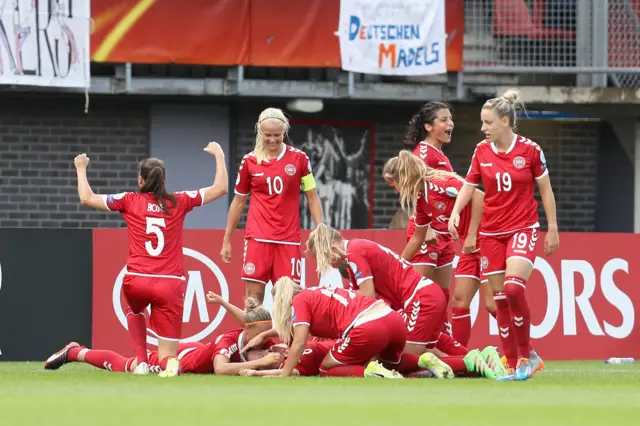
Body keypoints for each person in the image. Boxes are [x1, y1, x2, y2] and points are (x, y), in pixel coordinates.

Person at [71, 142, 228, 377]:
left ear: (140, 180)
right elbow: (221, 188)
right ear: (163, 181)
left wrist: (81, 168)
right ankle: (170, 365)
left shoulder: (129, 200)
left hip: (137, 279)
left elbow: (87, 198)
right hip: (169, 283)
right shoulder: (179, 201)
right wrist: (219, 155)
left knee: (134, 309)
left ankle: (142, 362)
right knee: (166, 355)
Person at [448, 88, 559, 381]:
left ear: (505, 122)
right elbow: (469, 186)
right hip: (491, 232)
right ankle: (512, 363)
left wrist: (553, 228)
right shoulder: (481, 151)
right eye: (482, 123)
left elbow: (545, 190)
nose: (483, 128)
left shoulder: (531, 150)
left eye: (488, 122)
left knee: (513, 288)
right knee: (498, 300)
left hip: (523, 227)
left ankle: (526, 357)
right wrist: (456, 211)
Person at [304, 224, 503, 379]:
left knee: (399, 360)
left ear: (330, 248)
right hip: (425, 296)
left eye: (323, 258)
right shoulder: (358, 250)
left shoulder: (353, 252)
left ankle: (468, 363)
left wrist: (334, 303)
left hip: (420, 299)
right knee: (433, 345)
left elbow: (367, 296)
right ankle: (482, 357)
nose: (328, 264)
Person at [383, 151, 496, 348]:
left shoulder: (440, 184)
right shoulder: (422, 201)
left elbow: (478, 197)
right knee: (459, 302)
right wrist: (397, 267)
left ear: (405, 176)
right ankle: (462, 357)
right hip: (470, 248)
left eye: (396, 186)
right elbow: (418, 237)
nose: (397, 191)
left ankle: (525, 353)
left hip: (488, 238)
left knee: (492, 304)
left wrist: (470, 234)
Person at [221, 107, 323, 305]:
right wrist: (227, 239)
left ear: (285, 132)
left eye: (277, 135)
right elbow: (238, 201)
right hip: (257, 237)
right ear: (260, 132)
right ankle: (254, 337)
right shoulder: (249, 161)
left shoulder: (300, 159)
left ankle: (288, 337)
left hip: (288, 239)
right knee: (253, 298)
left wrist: (320, 227)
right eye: (267, 135)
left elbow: (312, 195)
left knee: (289, 300)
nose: (273, 139)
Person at [44, 296, 281, 376]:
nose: (265, 340)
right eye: (261, 335)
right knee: (130, 365)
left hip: (197, 349)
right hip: (180, 360)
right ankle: (75, 352)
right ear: (247, 330)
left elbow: (275, 340)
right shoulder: (227, 341)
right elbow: (220, 369)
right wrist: (261, 363)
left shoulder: (259, 336)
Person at [271, 277, 455, 379]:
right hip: (393, 319)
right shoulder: (315, 292)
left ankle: (374, 373)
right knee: (391, 363)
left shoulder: (299, 301)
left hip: (368, 326)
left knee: (326, 368)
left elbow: (300, 342)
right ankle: (426, 361)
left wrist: (284, 375)